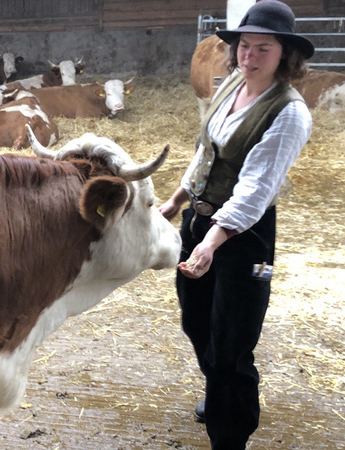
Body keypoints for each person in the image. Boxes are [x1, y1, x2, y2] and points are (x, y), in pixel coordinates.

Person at [159, 1, 314, 448]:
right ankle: (218, 390)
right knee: (196, 321)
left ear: (285, 55)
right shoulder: (230, 85)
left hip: (245, 239)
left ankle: (230, 433)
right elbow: (205, 151)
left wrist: (212, 241)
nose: (249, 56)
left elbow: (254, 190)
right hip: (199, 222)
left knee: (232, 342)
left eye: (263, 48)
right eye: (244, 45)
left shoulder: (289, 113)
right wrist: (175, 201)